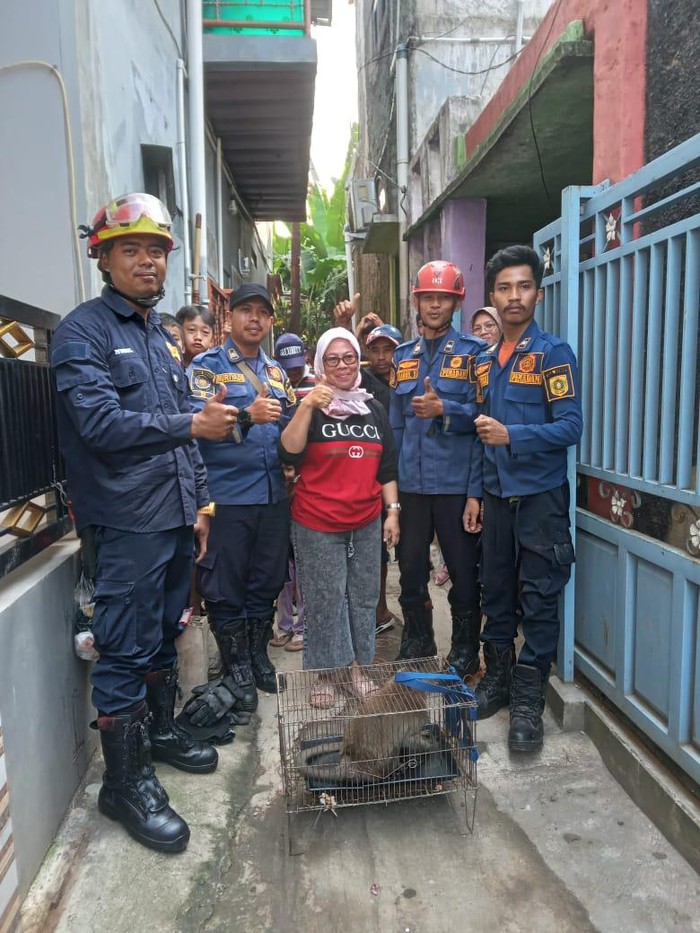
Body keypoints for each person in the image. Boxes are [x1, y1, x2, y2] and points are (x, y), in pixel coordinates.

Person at [52, 192, 238, 853]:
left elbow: (186, 438)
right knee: (124, 650)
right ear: (103, 258)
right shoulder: (83, 333)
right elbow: (101, 426)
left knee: (163, 635)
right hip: (126, 524)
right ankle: (124, 784)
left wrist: (201, 507)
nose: (147, 262)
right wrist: (190, 423)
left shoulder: (158, 337)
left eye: (156, 250)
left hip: (172, 519)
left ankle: (159, 734)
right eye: (130, 250)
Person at [473, 245, 583, 752]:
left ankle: (527, 699)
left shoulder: (553, 354)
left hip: (540, 499)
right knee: (495, 592)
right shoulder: (485, 362)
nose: (513, 296)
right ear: (492, 296)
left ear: (538, 294)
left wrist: (512, 435)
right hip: (496, 497)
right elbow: (480, 435)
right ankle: (496, 678)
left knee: (539, 598)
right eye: (504, 288)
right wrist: (476, 492)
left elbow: (570, 426)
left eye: (523, 286)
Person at [186, 283, 296, 727]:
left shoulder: (277, 372)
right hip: (227, 497)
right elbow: (196, 427)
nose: (254, 319)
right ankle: (236, 668)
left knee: (267, 579)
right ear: (228, 317)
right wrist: (248, 415)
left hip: (273, 496)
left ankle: (256, 657)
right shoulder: (206, 368)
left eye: (262, 312)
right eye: (245, 310)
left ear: (270, 321)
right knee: (225, 584)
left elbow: (290, 425)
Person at [279, 327, 399, 707]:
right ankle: (331, 675)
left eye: (349, 358)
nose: (343, 365)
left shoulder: (373, 408)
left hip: (365, 521)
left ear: (358, 362)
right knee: (325, 600)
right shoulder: (311, 405)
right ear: (321, 364)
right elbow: (288, 453)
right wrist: (307, 406)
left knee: (363, 599)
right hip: (317, 522)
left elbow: (387, 469)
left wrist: (392, 513)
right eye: (333, 359)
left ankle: (356, 666)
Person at [390, 260, 485, 679]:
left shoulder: (474, 354)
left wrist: (446, 408)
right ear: (417, 301)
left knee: (463, 570)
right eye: (427, 297)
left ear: (456, 303)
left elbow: (484, 419)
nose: (434, 305)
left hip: (453, 484)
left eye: (442, 298)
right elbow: (395, 425)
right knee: (410, 566)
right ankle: (418, 637)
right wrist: (392, 492)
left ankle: (465, 649)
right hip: (411, 485)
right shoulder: (402, 356)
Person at [269, 332, 314, 651]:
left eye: (297, 368)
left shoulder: (316, 387)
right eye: (289, 369)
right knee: (282, 561)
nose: (293, 374)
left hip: (306, 485)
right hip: (278, 485)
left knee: (303, 559)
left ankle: (304, 626)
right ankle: (284, 624)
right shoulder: (271, 385)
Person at [363, 324, 403, 634]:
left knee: (407, 548)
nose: (381, 357)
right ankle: (377, 610)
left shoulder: (408, 382)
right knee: (374, 548)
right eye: (375, 350)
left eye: (387, 350)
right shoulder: (364, 381)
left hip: (406, 475)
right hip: (374, 475)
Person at [176, 304, 215, 372]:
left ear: (212, 340)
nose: (198, 337)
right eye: (191, 330)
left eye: (205, 332)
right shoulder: (171, 363)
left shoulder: (217, 367)